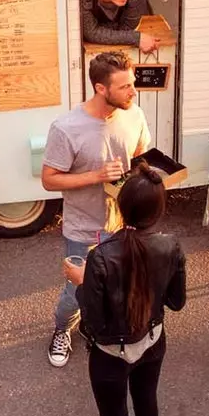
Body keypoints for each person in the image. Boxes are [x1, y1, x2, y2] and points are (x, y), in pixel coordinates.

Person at [74, 164, 187, 416]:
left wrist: (81, 280)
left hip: (111, 353)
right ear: (159, 209)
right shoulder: (170, 246)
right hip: (152, 341)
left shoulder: (101, 256)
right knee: (147, 402)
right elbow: (176, 301)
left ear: (120, 208)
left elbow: (92, 319)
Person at [40, 50, 150, 368]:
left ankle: (103, 327)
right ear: (101, 88)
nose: (133, 92)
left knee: (120, 283)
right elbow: (49, 180)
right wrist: (96, 176)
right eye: (125, 87)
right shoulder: (66, 128)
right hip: (83, 226)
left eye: (132, 84)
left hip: (126, 225)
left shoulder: (134, 115)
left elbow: (141, 156)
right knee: (77, 289)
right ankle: (62, 330)